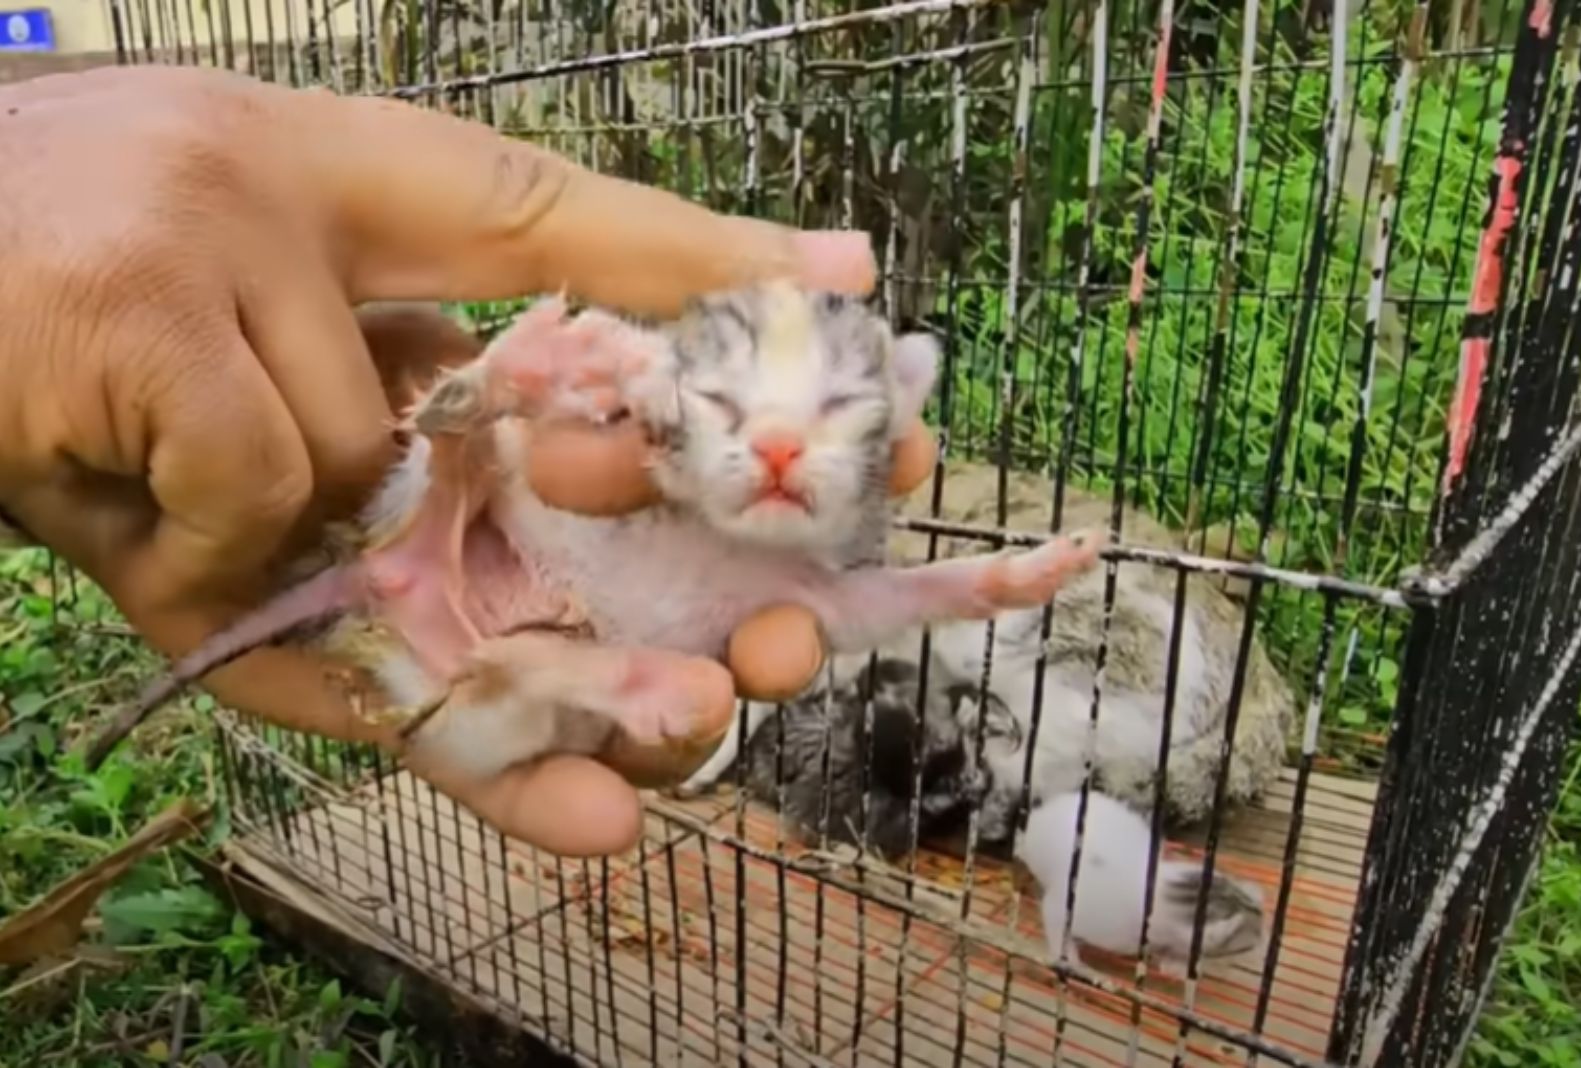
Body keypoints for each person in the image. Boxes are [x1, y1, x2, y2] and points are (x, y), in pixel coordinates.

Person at [0, 62, 950, 857]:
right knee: (505, 484)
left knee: (500, 639)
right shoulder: (674, 389)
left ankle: (538, 639)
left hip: (467, 607)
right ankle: (515, 524)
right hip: (469, 557)